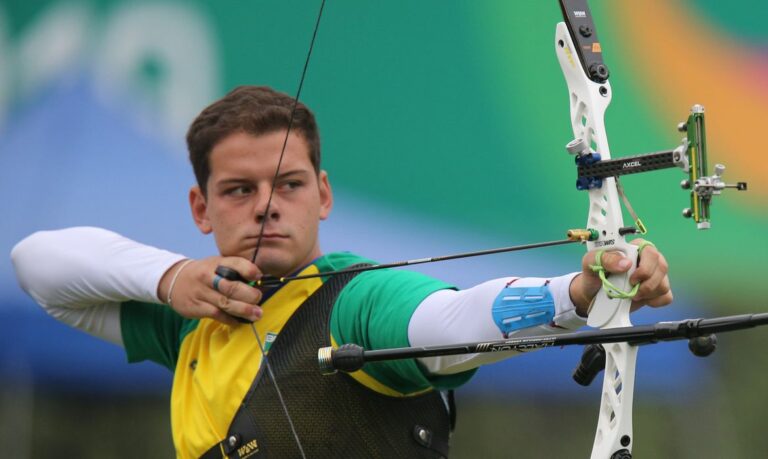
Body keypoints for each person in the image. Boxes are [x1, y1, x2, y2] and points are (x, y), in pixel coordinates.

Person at [11, 86, 671, 458]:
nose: (267, 203)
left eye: (288, 184)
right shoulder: (191, 320)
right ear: (200, 207)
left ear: (323, 194)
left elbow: (446, 320)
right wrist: (171, 277)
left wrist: (579, 290)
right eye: (238, 189)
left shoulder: (358, 300)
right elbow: (36, 264)